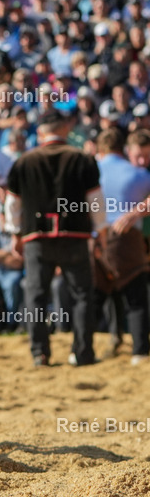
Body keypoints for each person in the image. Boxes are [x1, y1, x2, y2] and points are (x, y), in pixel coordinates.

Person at [5, 110, 106, 367]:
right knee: (82, 295)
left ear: (41, 132)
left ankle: (40, 353)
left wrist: (15, 233)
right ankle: (83, 353)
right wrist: (100, 232)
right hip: (75, 236)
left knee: (36, 295)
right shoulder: (82, 159)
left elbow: (12, 205)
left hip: (37, 238)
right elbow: (96, 202)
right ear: (65, 130)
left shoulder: (24, 162)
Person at [92, 127, 150, 365]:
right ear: (124, 149)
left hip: (97, 238)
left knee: (100, 295)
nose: (143, 160)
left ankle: (83, 349)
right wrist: (136, 213)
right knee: (134, 294)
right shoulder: (138, 174)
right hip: (126, 237)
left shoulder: (91, 171)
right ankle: (139, 350)